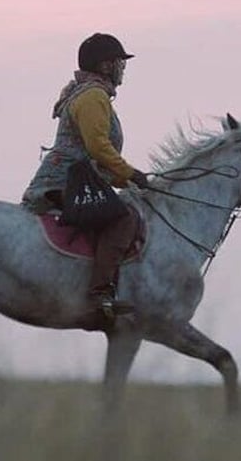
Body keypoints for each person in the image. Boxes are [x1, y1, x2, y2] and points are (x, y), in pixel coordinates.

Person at [22, 33, 148, 317]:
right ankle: (99, 295)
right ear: (106, 66)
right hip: (63, 184)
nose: (123, 68)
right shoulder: (93, 97)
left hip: (76, 180)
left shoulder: (89, 94)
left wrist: (127, 180)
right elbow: (99, 148)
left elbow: (96, 161)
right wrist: (131, 173)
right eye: (120, 62)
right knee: (124, 218)